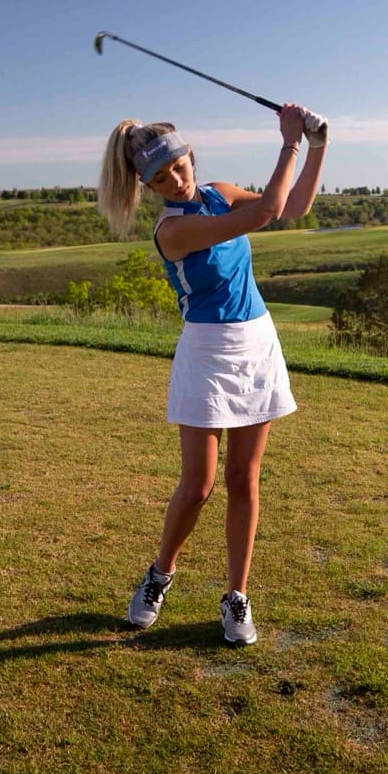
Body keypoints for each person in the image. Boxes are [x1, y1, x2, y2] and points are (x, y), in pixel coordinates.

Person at [96, 102, 327, 644]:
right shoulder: (173, 231)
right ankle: (160, 574)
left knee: (244, 479)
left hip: (256, 344)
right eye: (160, 178)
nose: (176, 181)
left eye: (178, 167)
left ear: (190, 156)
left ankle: (236, 597)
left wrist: (318, 147)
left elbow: (293, 207)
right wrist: (289, 140)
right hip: (206, 352)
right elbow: (265, 212)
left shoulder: (220, 190)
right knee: (198, 486)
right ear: (148, 188)